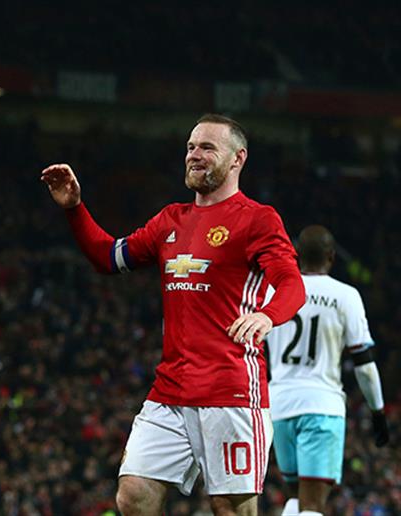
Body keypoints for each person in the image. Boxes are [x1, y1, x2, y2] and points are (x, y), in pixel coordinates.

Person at [40, 114, 306, 516]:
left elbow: (291, 284)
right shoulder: (170, 220)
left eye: (207, 148)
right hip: (170, 390)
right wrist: (75, 209)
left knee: (230, 509)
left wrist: (267, 316)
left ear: (237, 159)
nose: (194, 155)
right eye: (190, 147)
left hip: (230, 390)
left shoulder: (257, 219)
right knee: (133, 495)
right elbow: (108, 258)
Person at [265, 225, 390, 516]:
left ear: (297, 255)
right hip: (321, 405)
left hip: (279, 406)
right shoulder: (345, 296)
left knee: (295, 498)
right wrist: (378, 412)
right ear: (332, 257)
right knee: (313, 504)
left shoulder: (273, 292)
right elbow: (364, 365)